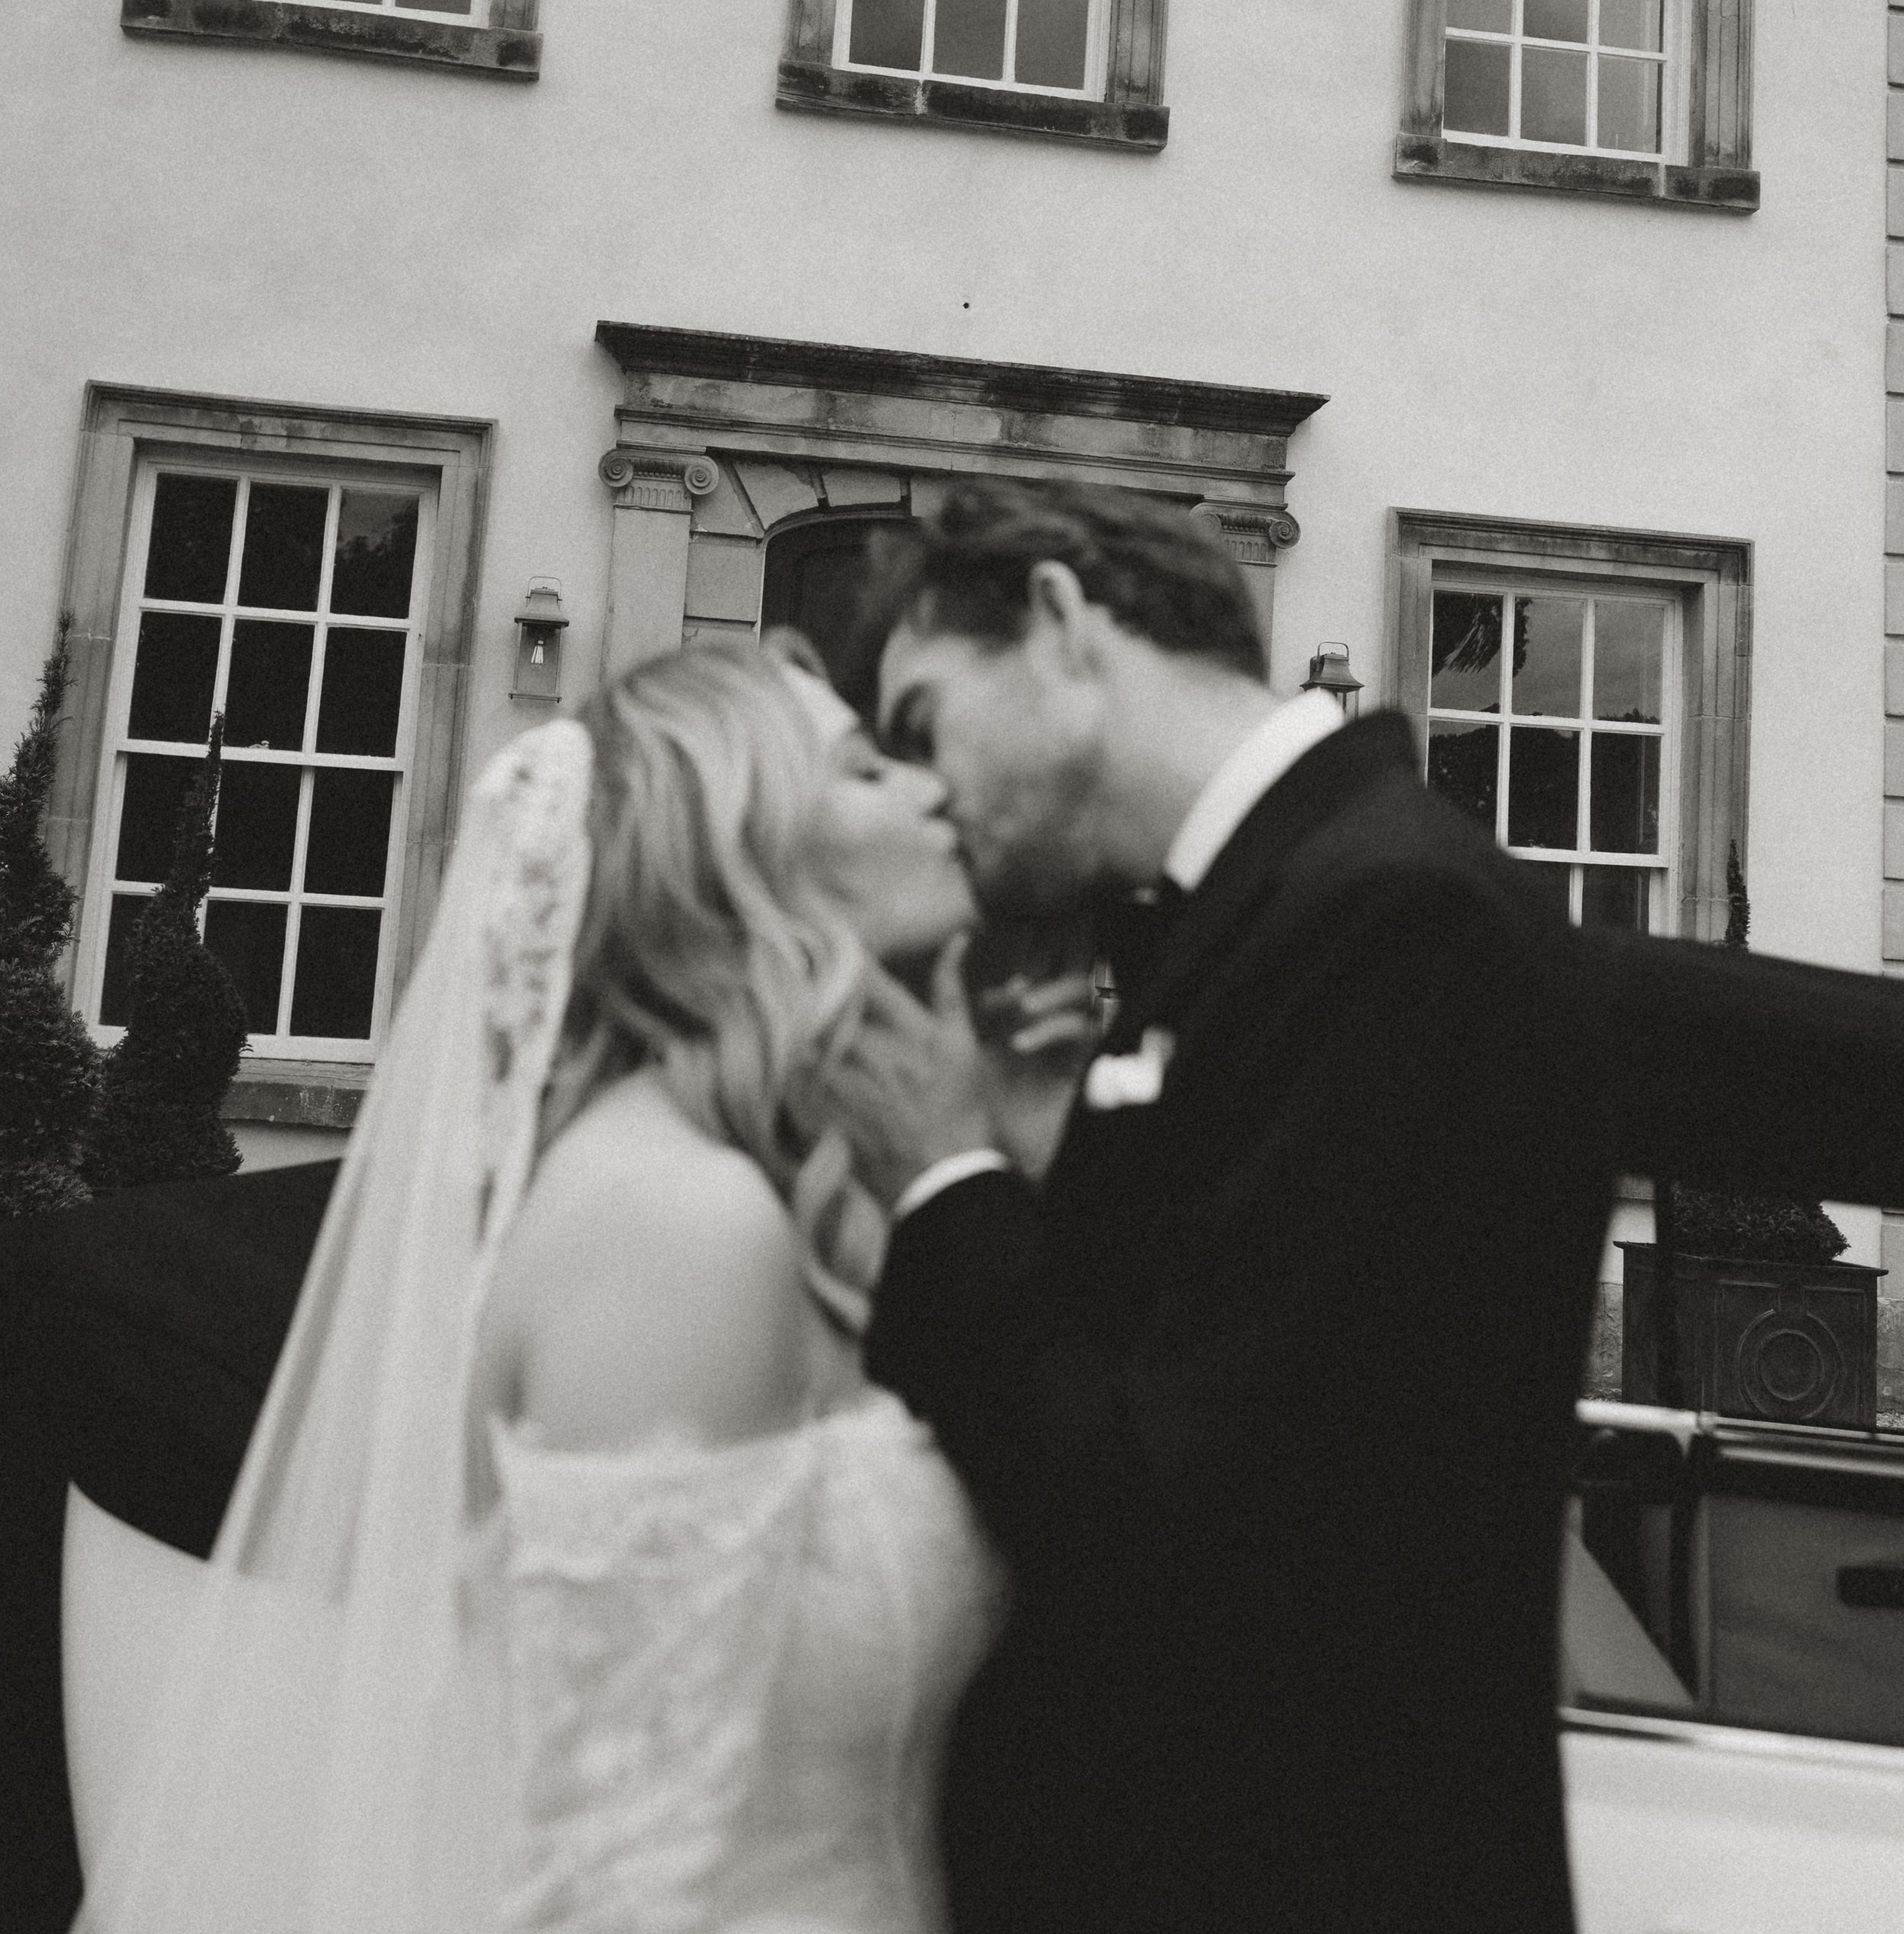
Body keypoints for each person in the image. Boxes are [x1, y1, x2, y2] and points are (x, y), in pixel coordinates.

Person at [810, 478, 1904, 1934]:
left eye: (924, 719)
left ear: (1063, 625)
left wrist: (947, 1179)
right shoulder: (1290, 907)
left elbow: (1183, 1524)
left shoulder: (1393, 921)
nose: (930, 790)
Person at [70, 633, 1067, 1934]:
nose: (936, 788)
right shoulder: (675, 1221)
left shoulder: (793, 1190)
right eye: (865, 770)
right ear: (737, 855)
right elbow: (626, 1884)